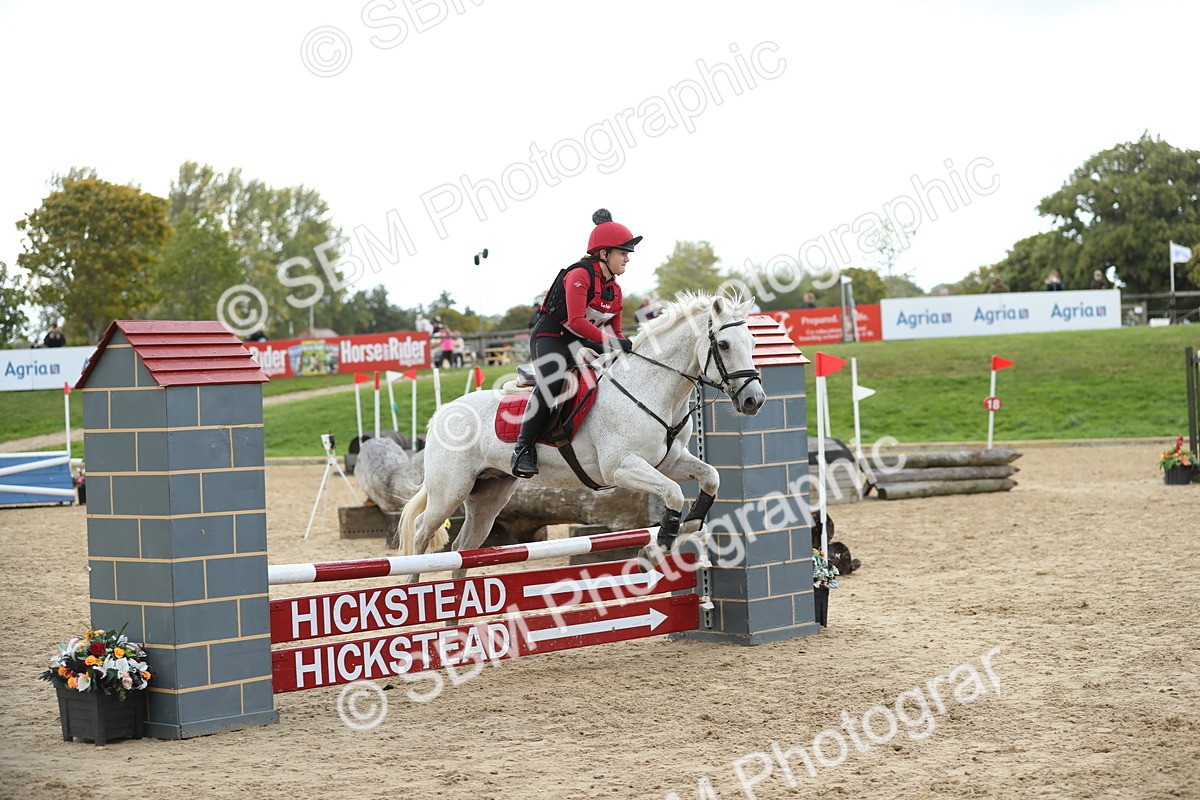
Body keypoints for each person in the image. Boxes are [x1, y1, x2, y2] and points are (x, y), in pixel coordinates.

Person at [511, 208, 640, 478]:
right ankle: (523, 449)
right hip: (552, 336)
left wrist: (626, 344)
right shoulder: (579, 275)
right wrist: (612, 342)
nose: (627, 258)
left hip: (583, 338)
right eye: (623, 253)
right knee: (553, 380)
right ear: (604, 254)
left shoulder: (615, 289)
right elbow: (577, 321)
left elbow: (614, 330)